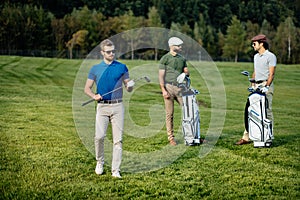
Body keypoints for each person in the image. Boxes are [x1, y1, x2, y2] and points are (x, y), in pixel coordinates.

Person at [84, 39, 135, 178]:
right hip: (102, 107)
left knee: (118, 140)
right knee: (99, 137)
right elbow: (87, 88)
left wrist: (130, 85)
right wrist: (94, 95)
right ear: (102, 52)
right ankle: (99, 162)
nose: (112, 53)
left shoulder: (122, 67)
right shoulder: (95, 69)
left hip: (118, 106)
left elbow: (128, 88)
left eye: (113, 51)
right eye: (108, 52)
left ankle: (115, 170)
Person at [236, 34, 276, 145]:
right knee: (250, 110)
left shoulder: (270, 56)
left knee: (266, 111)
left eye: (254, 43)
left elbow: (271, 74)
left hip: (266, 85)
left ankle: (268, 136)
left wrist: (266, 86)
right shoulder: (256, 57)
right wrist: (252, 83)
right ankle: (246, 137)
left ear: (261, 43)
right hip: (256, 86)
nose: (252, 45)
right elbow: (255, 71)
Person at [158, 37, 189, 146]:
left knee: (188, 111)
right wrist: (163, 90)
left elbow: (186, 72)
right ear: (171, 46)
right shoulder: (165, 58)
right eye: (178, 45)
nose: (180, 47)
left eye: (181, 45)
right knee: (169, 114)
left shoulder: (182, 58)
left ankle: (190, 135)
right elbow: (161, 76)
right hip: (168, 87)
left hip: (180, 88)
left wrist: (186, 72)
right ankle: (171, 138)